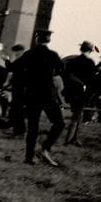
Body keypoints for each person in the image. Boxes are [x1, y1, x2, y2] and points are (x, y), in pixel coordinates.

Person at [19, 29, 64, 166]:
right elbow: (60, 70)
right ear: (48, 40)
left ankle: (28, 157)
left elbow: (15, 68)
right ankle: (45, 148)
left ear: (36, 39)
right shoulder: (53, 55)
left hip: (32, 95)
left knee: (33, 127)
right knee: (59, 123)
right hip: (47, 95)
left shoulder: (29, 54)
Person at [62, 41, 96, 145]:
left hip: (71, 93)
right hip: (82, 93)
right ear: (90, 51)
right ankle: (69, 140)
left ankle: (73, 138)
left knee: (77, 115)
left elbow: (66, 76)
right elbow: (92, 80)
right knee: (77, 116)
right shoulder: (90, 63)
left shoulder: (72, 61)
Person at [5, 44, 27, 137]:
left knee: (18, 110)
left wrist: (6, 60)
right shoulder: (24, 60)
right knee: (18, 110)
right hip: (20, 88)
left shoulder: (21, 60)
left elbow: (11, 68)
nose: (15, 53)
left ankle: (19, 131)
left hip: (19, 89)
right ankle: (18, 130)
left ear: (21, 51)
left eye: (16, 51)